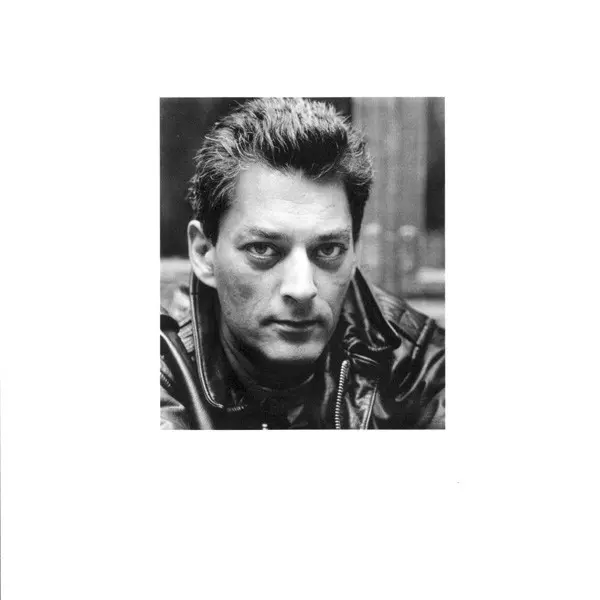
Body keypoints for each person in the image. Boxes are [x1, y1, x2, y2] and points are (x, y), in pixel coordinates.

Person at [160, 98, 445, 429]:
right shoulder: (162, 362)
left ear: (354, 252)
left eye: (328, 250)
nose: (301, 289)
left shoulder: (418, 364)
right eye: (263, 249)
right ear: (203, 254)